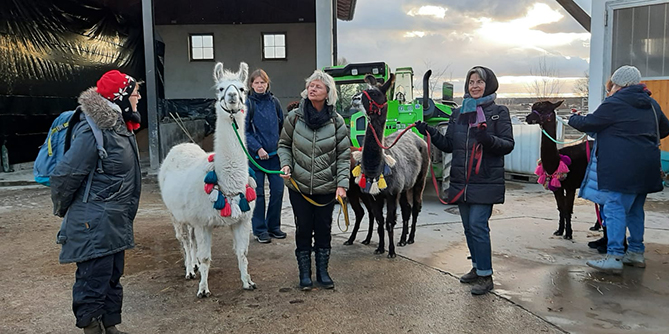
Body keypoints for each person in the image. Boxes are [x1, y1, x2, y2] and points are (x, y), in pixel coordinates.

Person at [51, 70, 142, 334]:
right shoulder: (94, 130)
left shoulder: (120, 125)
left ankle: (110, 324)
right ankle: (92, 327)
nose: (138, 96)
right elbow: (66, 174)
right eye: (134, 91)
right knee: (94, 278)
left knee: (112, 276)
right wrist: (66, 210)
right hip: (95, 220)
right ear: (121, 96)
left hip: (114, 219)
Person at [414, 66, 514, 295]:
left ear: (489, 85)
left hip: (485, 180)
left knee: (479, 226)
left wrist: (486, 139)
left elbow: (507, 145)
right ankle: (477, 268)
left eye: (480, 81)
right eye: (471, 82)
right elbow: (449, 145)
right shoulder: (459, 113)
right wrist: (429, 131)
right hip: (461, 181)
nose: (475, 86)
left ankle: (486, 275)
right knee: (469, 227)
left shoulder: (499, 112)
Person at [569, 65, 669, 274]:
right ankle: (636, 252)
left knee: (614, 208)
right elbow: (665, 129)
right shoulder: (651, 104)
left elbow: (590, 123)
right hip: (647, 167)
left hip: (620, 168)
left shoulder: (614, 103)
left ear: (618, 84)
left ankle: (614, 256)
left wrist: (573, 118)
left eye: (612, 84)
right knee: (635, 210)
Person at [277, 70, 350, 290]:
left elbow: (343, 155)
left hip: (326, 187)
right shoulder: (295, 117)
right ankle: (304, 275)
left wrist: (342, 184)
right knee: (303, 229)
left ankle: (323, 273)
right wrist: (286, 164)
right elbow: (284, 145)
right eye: (310, 85)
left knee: (323, 229)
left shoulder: (336, 122)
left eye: (318, 86)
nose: (312, 89)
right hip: (299, 186)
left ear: (328, 92)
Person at [245, 69, 286, 243]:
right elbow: (244, 131)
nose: (260, 86)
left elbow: (282, 126)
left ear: (267, 84)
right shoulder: (248, 104)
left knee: (278, 190)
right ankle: (260, 229)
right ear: (251, 85)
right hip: (257, 158)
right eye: (257, 83)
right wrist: (257, 148)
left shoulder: (274, 102)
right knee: (258, 193)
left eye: (263, 82)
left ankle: (274, 226)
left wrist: (282, 147)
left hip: (275, 157)